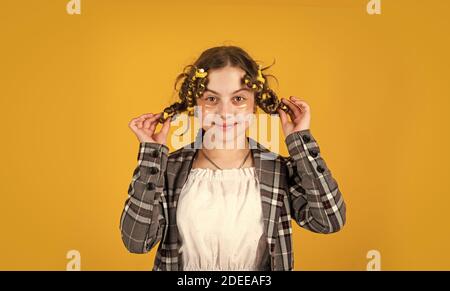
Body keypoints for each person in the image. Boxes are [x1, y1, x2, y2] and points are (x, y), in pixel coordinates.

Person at [119, 45, 346, 271]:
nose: (225, 112)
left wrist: (299, 141)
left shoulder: (277, 170)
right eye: (211, 98)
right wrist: (151, 155)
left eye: (238, 98)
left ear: (254, 103)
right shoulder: (167, 169)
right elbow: (137, 242)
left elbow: (328, 220)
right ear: (194, 104)